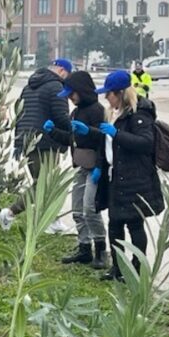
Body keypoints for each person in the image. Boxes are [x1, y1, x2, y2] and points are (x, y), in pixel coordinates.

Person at [86, 70, 164, 281]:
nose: (106, 98)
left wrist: (117, 134)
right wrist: (93, 136)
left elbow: (145, 143)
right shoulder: (114, 113)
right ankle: (118, 267)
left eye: (109, 94)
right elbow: (108, 144)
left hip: (135, 178)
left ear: (120, 93)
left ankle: (137, 268)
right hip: (115, 176)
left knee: (134, 224)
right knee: (115, 223)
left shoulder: (139, 114)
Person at [0, 58, 72, 231]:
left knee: (43, 182)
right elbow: (61, 117)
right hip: (46, 141)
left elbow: (20, 114)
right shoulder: (56, 87)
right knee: (44, 184)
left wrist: (18, 142)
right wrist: (72, 133)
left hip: (28, 141)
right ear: (62, 70)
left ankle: (50, 219)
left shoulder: (29, 86)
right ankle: (11, 213)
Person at [47, 71, 108, 268]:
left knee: (90, 208)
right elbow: (72, 139)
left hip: (94, 166)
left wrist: (99, 166)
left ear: (81, 91)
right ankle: (84, 247)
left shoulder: (97, 110)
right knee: (77, 209)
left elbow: (103, 140)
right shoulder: (76, 112)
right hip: (81, 165)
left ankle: (100, 249)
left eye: (72, 94)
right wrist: (53, 132)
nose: (71, 99)